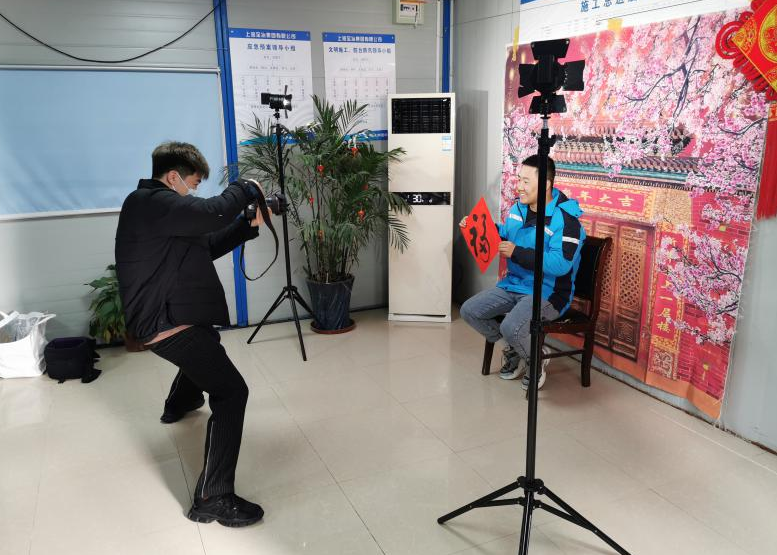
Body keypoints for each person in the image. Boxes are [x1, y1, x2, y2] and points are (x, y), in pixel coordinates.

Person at [115, 141, 267, 527]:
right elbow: (213, 212)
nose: (194, 192)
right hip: (165, 324)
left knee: (205, 347)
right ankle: (212, 497)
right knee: (232, 392)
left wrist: (245, 227)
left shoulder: (161, 212)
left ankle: (179, 403)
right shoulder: (149, 202)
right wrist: (247, 187)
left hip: (171, 318)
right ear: (173, 178)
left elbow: (207, 243)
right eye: (193, 184)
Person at [459, 155, 585, 390]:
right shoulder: (518, 208)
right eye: (519, 179)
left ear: (545, 184)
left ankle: (535, 360)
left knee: (510, 326)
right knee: (470, 311)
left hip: (548, 293)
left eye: (526, 181)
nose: (519, 186)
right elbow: (505, 235)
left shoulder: (567, 220)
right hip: (514, 284)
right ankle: (518, 349)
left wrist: (517, 252)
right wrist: (480, 227)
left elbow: (561, 264)